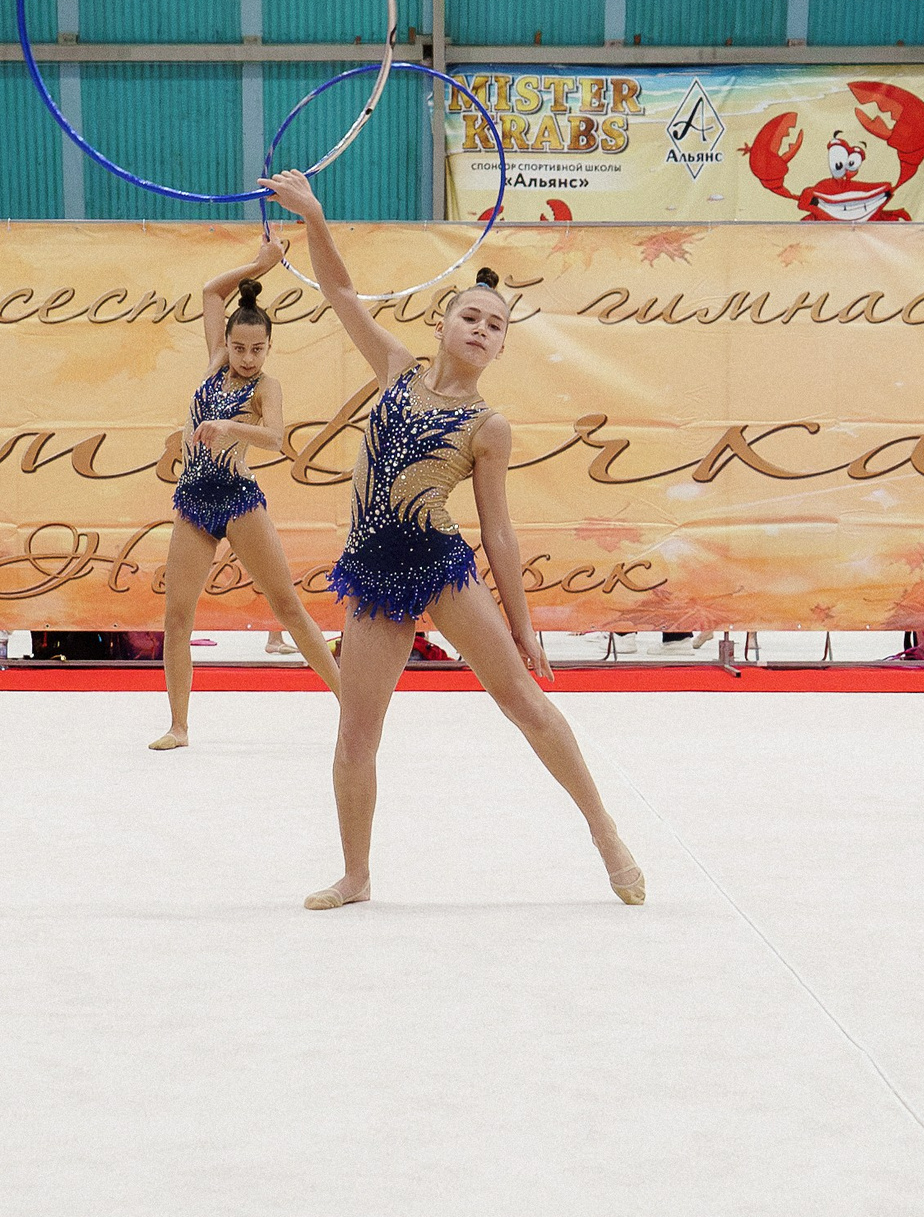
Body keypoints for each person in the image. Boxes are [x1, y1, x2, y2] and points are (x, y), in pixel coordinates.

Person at [260, 169, 644, 909]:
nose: (481, 329)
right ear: (443, 323)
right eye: (471, 316)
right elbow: (340, 295)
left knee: (523, 702)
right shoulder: (396, 372)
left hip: (440, 567)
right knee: (355, 734)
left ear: (501, 350)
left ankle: (604, 832)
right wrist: (314, 217)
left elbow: (498, 530)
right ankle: (357, 874)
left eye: (496, 326)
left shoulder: (487, 427)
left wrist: (524, 624)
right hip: (372, 573)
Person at [149, 234, 341, 750]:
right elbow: (212, 293)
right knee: (177, 615)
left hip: (236, 498)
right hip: (193, 501)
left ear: (269, 348)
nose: (248, 357)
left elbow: (276, 438)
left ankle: (350, 703)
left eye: (257, 349)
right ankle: (179, 725)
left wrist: (231, 427)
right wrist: (260, 264)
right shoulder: (216, 361)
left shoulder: (265, 388)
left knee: (286, 606)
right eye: (239, 347)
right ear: (227, 344)